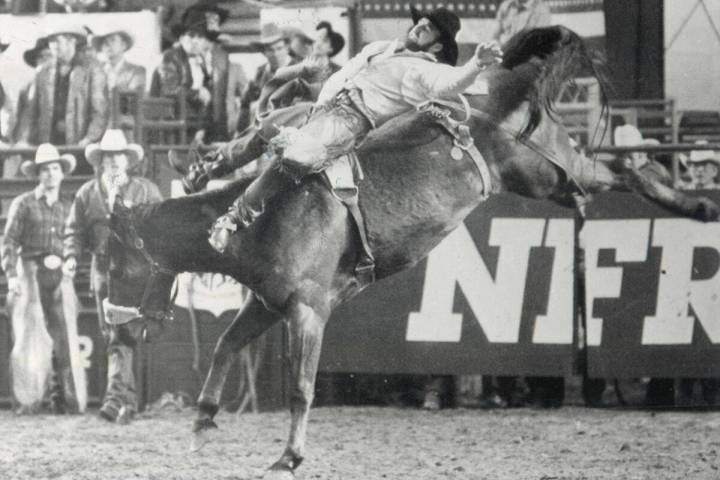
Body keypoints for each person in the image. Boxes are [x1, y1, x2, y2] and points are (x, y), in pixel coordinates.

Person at [209, 7, 503, 252]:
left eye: (427, 29)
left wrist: (477, 63)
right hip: (327, 106)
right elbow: (344, 74)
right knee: (271, 123)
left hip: (349, 122)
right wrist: (320, 103)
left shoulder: (428, 70)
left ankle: (234, 218)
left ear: (437, 46)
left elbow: (454, 83)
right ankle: (211, 166)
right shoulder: (382, 49)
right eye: (420, 23)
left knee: (297, 154)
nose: (418, 28)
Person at [63, 129, 162, 424]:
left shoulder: (146, 191)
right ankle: (127, 404)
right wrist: (70, 256)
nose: (114, 161)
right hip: (101, 271)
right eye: (109, 156)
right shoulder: (87, 193)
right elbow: (74, 231)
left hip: (133, 272)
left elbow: (161, 228)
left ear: (128, 160)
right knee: (113, 335)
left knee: (123, 333)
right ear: (101, 161)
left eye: (119, 155)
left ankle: (114, 399)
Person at [1, 144, 77, 413]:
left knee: (63, 333)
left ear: (61, 174)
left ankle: (63, 397)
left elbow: (74, 241)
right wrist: (11, 276)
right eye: (45, 170)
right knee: (28, 336)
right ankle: (28, 399)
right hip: (29, 270)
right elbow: (8, 242)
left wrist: (71, 260)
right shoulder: (23, 203)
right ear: (38, 174)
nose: (50, 174)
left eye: (55, 169)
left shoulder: (69, 206)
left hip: (58, 273)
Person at [16, 28, 108, 147]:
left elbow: (100, 111)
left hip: (81, 145)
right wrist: (23, 140)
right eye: (51, 41)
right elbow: (30, 111)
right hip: (48, 146)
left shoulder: (93, 70)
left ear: (72, 41)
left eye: (57, 40)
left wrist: (89, 139)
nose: (53, 45)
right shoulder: (43, 72)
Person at [151, 7, 227, 143]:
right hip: (171, 125)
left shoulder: (201, 62)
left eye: (200, 37)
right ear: (181, 37)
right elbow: (169, 89)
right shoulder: (171, 56)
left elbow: (207, 100)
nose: (195, 41)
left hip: (192, 125)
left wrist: (201, 128)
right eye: (191, 35)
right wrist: (196, 93)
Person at [258, 21, 346, 111]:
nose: (317, 43)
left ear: (331, 48)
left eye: (324, 41)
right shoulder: (300, 66)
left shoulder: (339, 71)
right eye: (317, 39)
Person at [235, 23, 296, 133]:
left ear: (287, 48)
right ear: (264, 52)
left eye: (279, 48)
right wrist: (240, 133)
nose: (276, 54)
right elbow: (245, 105)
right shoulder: (260, 73)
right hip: (261, 131)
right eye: (271, 50)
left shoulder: (298, 70)